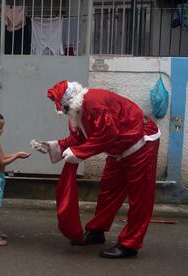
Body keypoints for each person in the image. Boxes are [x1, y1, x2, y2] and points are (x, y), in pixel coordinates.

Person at [37, 80, 160, 258]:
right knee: (108, 190)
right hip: (119, 149)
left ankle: (130, 244)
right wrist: (55, 146)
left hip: (141, 143)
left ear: (71, 102)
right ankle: (96, 231)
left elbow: (108, 134)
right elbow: (79, 139)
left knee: (140, 197)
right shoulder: (77, 113)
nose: (64, 113)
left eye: (64, 109)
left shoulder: (94, 102)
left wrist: (79, 153)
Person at [0, 111, 30, 246]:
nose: (2, 130)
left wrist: (17, 154)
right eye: (0, 127)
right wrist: (18, 156)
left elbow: (2, 158)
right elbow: (1, 162)